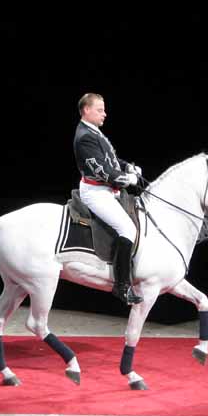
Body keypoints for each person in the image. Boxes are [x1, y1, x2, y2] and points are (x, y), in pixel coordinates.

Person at [73, 93, 143, 305]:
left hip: (108, 190)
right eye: (100, 109)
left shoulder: (93, 132)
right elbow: (103, 171)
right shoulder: (84, 136)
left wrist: (127, 165)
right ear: (86, 110)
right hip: (95, 192)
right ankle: (121, 286)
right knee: (128, 229)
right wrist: (128, 178)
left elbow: (110, 159)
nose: (105, 113)